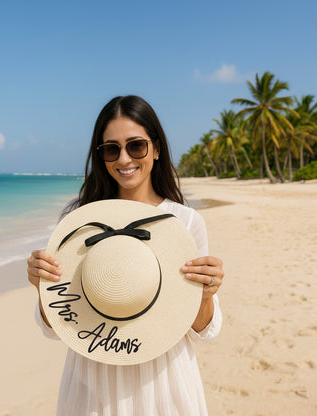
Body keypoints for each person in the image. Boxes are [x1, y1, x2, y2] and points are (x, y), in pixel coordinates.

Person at [27, 95, 224, 415]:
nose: (124, 158)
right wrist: (41, 287)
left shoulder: (186, 223)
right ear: (100, 155)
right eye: (110, 148)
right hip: (92, 381)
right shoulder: (78, 223)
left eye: (136, 146)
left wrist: (206, 295)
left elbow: (200, 331)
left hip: (163, 381)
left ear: (156, 148)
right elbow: (58, 325)